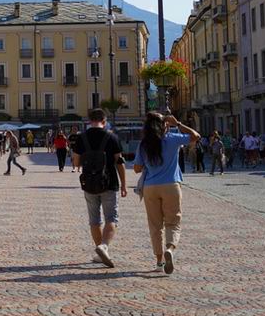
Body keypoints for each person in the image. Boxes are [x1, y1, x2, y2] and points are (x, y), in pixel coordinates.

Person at [134, 113, 200, 275]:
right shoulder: (172, 138)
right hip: (171, 185)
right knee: (173, 222)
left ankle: (159, 261)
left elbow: (136, 168)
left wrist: (149, 166)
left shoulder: (144, 144)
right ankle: (169, 249)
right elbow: (196, 136)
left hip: (150, 187)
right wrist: (178, 123)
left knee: (155, 225)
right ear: (165, 125)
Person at [72, 109, 126, 268]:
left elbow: (76, 163)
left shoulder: (82, 138)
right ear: (104, 120)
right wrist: (123, 184)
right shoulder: (112, 137)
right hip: (110, 183)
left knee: (94, 220)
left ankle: (99, 253)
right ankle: (104, 246)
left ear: (89, 120)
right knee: (111, 218)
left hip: (89, 184)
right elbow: (120, 162)